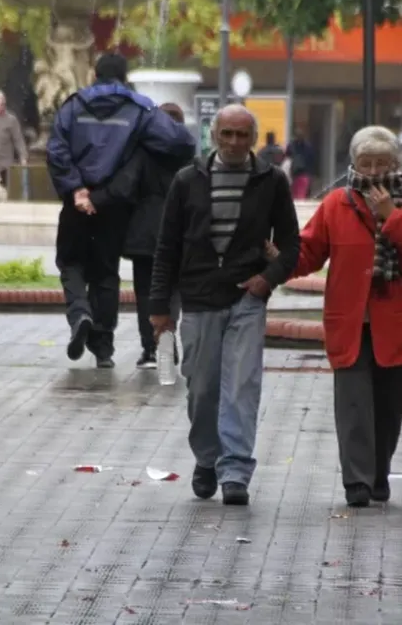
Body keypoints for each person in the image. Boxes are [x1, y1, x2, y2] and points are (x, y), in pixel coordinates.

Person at [281, 125, 402, 507]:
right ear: (353, 164)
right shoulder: (337, 203)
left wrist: (392, 214)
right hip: (349, 320)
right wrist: (276, 261)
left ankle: (379, 472)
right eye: (365, 164)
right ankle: (357, 482)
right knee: (352, 403)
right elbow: (310, 252)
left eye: (381, 164)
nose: (372, 172)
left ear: (395, 164)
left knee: (389, 404)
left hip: (396, 321)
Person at [149, 104, 300, 506]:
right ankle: (206, 458)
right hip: (198, 299)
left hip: (245, 300)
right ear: (214, 136)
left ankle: (234, 471)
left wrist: (267, 280)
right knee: (202, 390)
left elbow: (291, 245)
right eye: (227, 134)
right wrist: (159, 308)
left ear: (254, 139)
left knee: (241, 389)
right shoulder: (187, 181)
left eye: (242, 135)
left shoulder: (271, 182)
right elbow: (166, 248)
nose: (234, 142)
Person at [47, 53, 194, 369]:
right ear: (124, 76)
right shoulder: (140, 108)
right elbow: (181, 141)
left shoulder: (73, 105)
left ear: (94, 73)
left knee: (70, 262)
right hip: (114, 206)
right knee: (105, 272)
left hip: (76, 202)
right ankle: (103, 348)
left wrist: (76, 188)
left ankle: (79, 314)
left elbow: (56, 149)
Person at [86, 102, 193, 369]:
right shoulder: (189, 155)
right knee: (173, 291)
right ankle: (167, 343)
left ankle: (151, 350)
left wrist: (94, 198)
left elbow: (124, 187)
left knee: (146, 291)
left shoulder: (143, 153)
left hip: (145, 232)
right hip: (180, 231)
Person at [285, 126, 316, 198]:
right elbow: (312, 161)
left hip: (293, 174)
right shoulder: (308, 146)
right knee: (301, 196)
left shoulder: (291, 145)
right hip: (304, 174)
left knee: (294, 196)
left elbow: (287, 157)